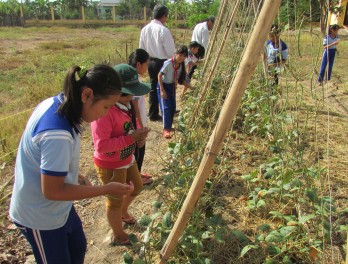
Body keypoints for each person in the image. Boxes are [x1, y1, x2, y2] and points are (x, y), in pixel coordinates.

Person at [9, 64, 134, 264]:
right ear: (87, 95)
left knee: (78, 248)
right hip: (40, 215)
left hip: (59, 208)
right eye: (106, 106)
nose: (106, 113)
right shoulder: (57, 134)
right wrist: (105, 189)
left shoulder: (59, 105)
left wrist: (69, 175)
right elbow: (53, 191)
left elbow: (41, 158)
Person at [91, 64, 150, 246]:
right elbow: (101, 146)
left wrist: (137, 138)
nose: (134, 97)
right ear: (119, 93)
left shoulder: (125, 105)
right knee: (114, 202)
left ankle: (123, 212)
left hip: (126, 158)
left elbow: (127, 129)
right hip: (111, 164)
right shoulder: (104, 112)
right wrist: (130, 138)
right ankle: (118, 234)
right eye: (131, 93)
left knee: (137, 187)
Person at [139, 4, 176, 122]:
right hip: (163, 62)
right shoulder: (163, 30)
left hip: (149, 62)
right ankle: (167, 111)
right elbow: (171, 52)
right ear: (164, 16)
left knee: (154, 87)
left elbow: (141, 48)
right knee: (165, 87)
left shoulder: (145, 29)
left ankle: (153, 113)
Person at [128, 48, 153, 185]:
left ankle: (136, 174)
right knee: (138, 150)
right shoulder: (134, 81)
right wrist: (142, 128)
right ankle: (136, 179)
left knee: (136, 151)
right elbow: (135, 105)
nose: (147, 67)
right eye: (146, 64)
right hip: (136, 124)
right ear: (139, 64)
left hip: (135, 123)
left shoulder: (131, 78)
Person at [158, 45, 189, 139]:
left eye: (184, 56)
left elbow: (180, 79)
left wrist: (190, 87)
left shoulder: (180, 66)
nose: (182, 57)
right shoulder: (168, 63)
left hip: (171, 86)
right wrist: (162, 90)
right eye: (180, 55)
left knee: (172, 107)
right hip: (163, 85)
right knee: (166, 107)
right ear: (176, 54)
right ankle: (165, 129)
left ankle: (169, 126)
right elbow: (159, 75)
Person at [189, 16, 215, 81]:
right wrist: (207, 52)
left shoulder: (198, 25)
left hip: (192, 45)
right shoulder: (205, 29)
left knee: (191, 63)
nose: (212, 27)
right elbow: (204, 42)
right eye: (212, 25)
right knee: (196, 65)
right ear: (210, 22)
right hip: (199, 48)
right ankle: (191, 79)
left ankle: (189, 78)